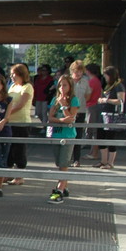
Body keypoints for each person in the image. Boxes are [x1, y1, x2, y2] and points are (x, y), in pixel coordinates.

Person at [47, 75, 80, 203]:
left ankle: (59, 190)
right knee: (58, 163)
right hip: (56, 134)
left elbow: (71, 118)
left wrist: (64, 106)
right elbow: (51, 117)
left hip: (68, 136)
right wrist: (60, 120)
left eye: (65, 85)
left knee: (64, 163)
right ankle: (64, 185)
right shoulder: (55, 99)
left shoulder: (74, 100)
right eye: (60, 85)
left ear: (70, 86)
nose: (62, 88)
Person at [5, 64, 34, 185]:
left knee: (19, 150)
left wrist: (6, 114)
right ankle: (8, 174)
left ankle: (20, 175)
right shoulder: (12, 86)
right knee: (10, 149)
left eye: (14, 74)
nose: (11, 76)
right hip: (10, 123)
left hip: (21, 123)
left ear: (21, 74)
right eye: (11, 74)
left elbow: (20, 105)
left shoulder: (27, 87)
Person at [97, 66, 126, 169]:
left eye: (106, 75)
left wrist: (106, 100)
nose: (104, 77)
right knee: (100, 137)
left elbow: (121, 100)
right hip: (103, 115)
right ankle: (103, 161)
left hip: (111, 116)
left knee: (110, 138)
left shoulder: (119, 86)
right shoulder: (108, 85)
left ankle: (110, 162)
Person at [69, 60, 91, 167]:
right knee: (68, 135)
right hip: (68, 111)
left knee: (77, 135)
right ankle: (67, 157)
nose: (78, 73)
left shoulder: (86, 82)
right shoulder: (68, 81)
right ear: (72, 71)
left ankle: (76, 159)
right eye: (76, 71)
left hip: (81, 111)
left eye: (80, 71)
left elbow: (88, 95)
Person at [32, 64, 55, 130]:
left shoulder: (50, 79)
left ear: (48, 71)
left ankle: (45, 127)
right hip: (38, 97)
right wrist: (34, 97)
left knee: (44, 113)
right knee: (38, 113)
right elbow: (35, 87)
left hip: (46, 98)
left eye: (45, 70)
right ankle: (45, 124)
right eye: (42, 70)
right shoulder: (38, 78)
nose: (43, 72)